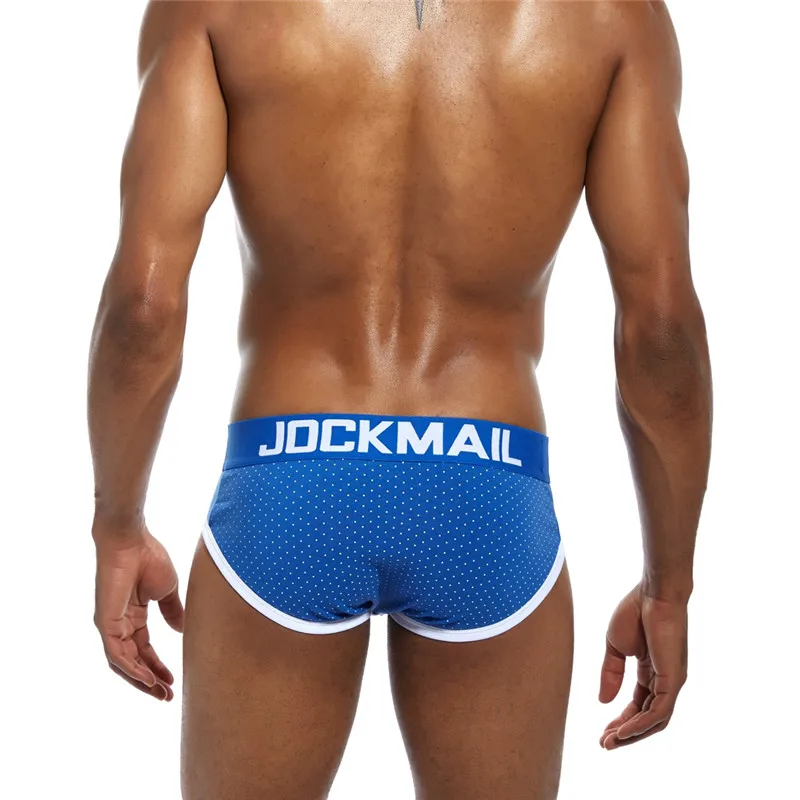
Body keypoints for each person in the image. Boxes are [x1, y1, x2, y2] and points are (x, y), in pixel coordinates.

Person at [87, 1, 712, 798]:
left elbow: (143, 308)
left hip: (291, 476)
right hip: (486, 482)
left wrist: (117, 527)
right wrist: (668, 585)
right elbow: (661, 331)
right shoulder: (612, 16)